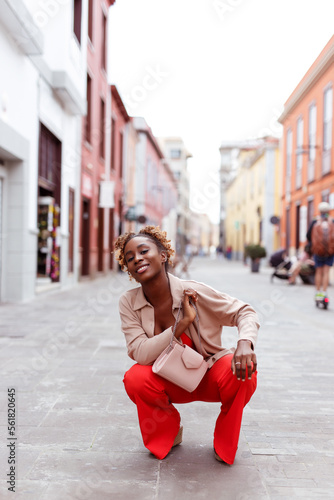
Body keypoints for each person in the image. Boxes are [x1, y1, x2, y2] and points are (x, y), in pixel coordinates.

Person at [114, 225, 259, 465]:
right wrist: (180, 325)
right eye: (130, 258)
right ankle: (168, 431)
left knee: (244, 373)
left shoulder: (195, 291)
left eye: (143, 251)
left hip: (208, 375)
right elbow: (139, 353)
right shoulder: (128, 302)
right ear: (129, 269)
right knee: (135, 379)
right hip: (168, 380)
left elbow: (244, 311)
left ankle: (224, 440)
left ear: (163, 255)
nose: (137, 258)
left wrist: (245, 343)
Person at [307, 201, 334, 301]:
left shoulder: (315, 221)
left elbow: (308, 235)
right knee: (326, 271)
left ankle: (317, 293)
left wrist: (313, 245)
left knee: (318, 271)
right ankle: (324, 292)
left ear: (320, 211)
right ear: (328, 211)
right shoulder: (332, 221)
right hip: (330, 252)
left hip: (318, 251)